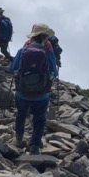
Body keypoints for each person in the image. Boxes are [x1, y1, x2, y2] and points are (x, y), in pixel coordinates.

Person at [9, 22, 58, 155]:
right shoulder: (48, 54)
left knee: (21, 115)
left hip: (22, 93)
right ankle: (34, 146)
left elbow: (12, 69)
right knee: (39, 119)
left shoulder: (22, 51)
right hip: (41, 95)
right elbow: (55, 73)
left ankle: (19, 139)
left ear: (32, 37)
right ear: (45, 38)